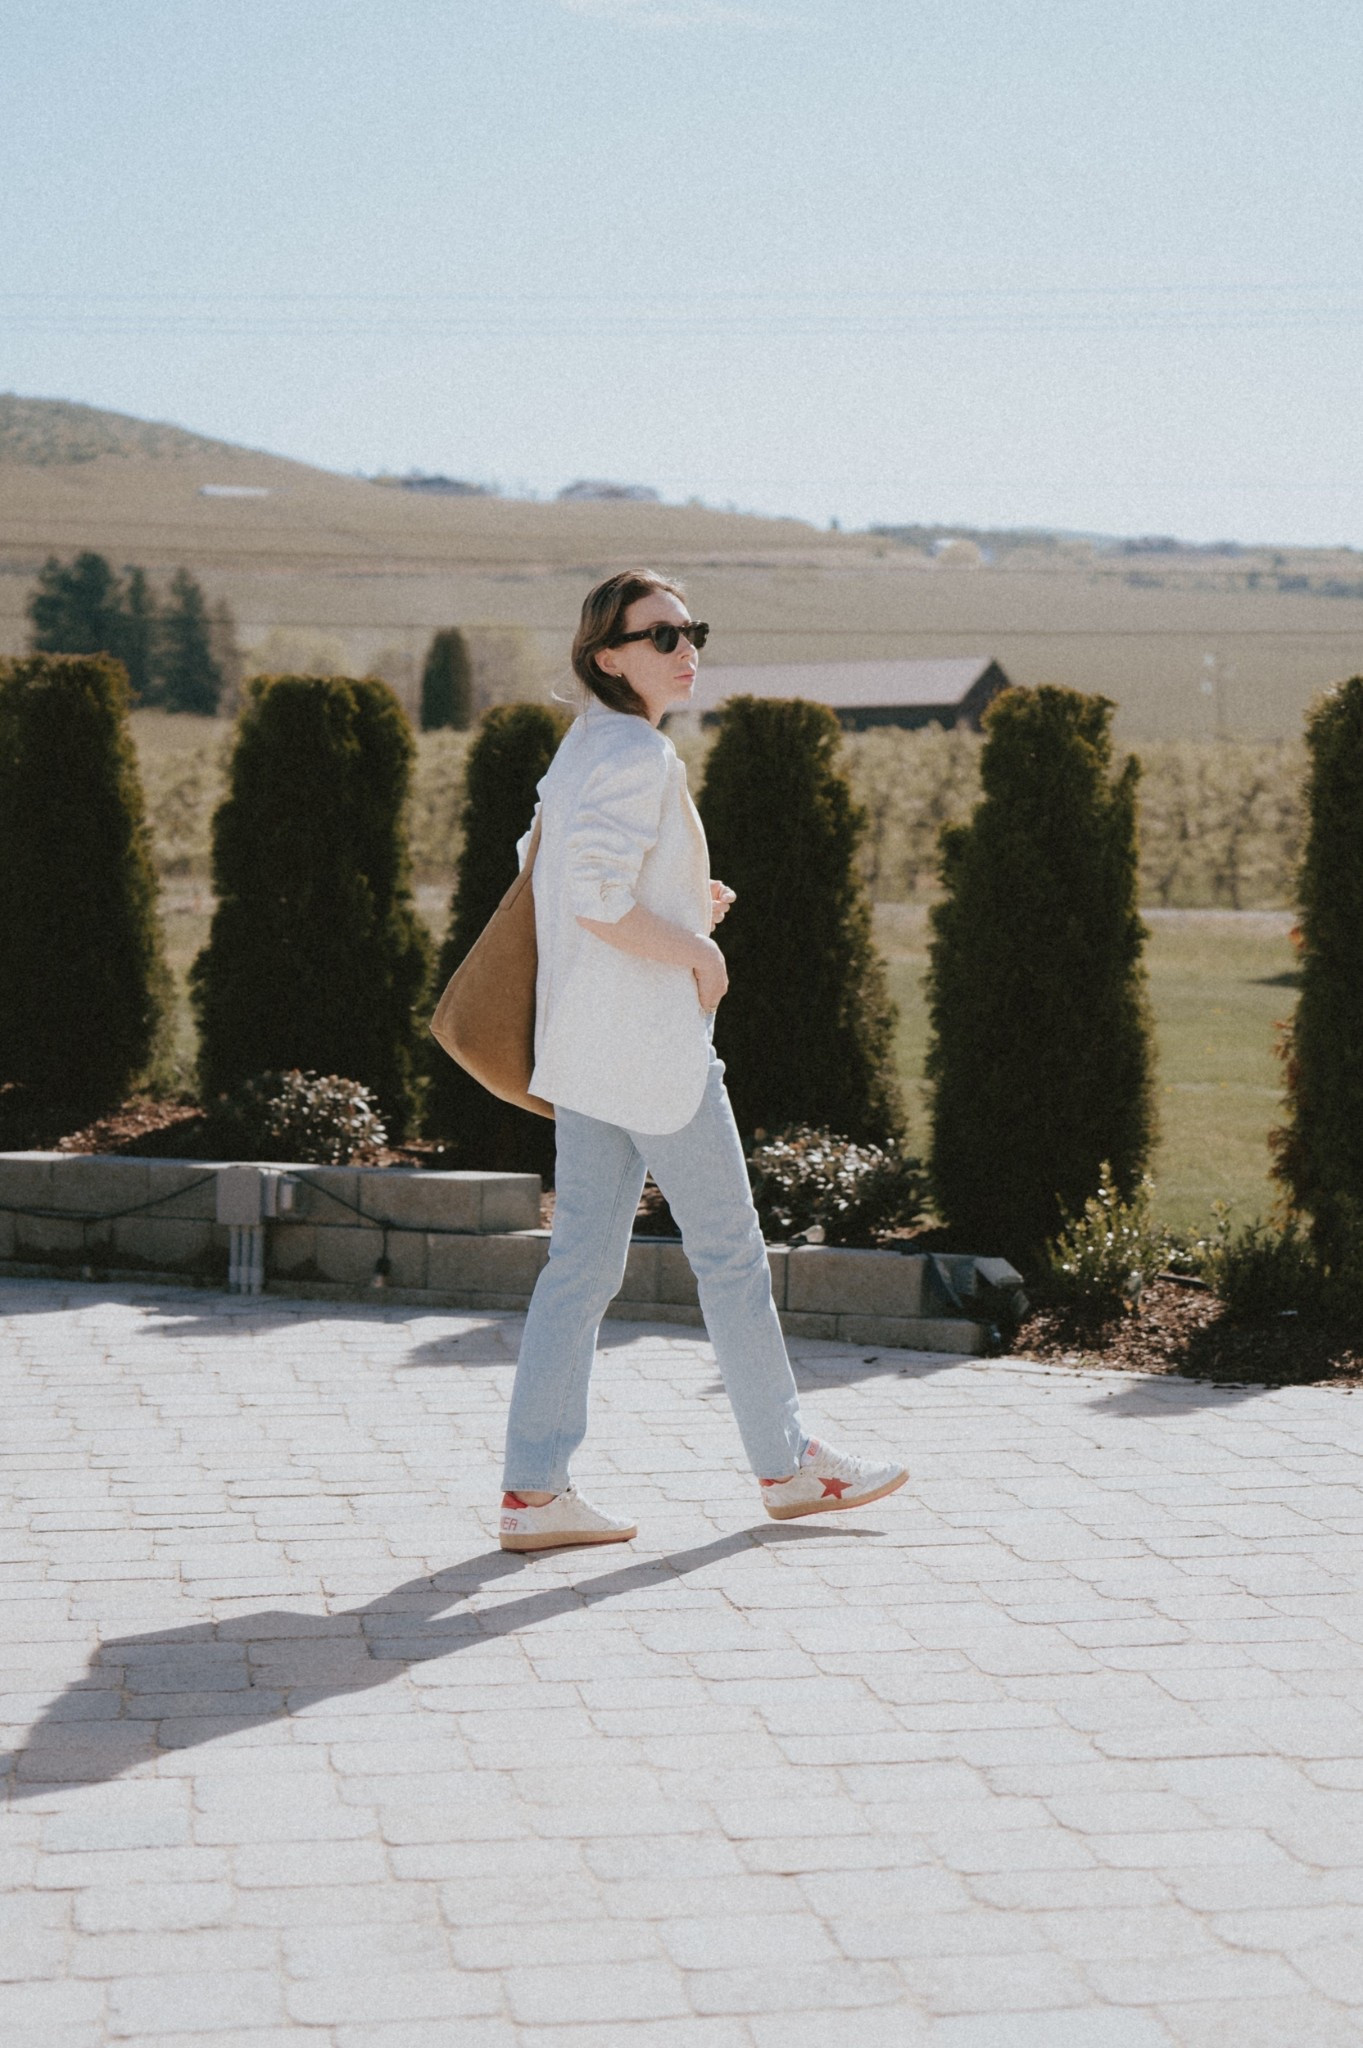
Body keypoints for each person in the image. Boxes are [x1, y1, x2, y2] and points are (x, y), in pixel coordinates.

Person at [497, 569, 908, 1553]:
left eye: (692, 632)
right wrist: (697, 950)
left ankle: (534, 1491)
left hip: (584, 1048)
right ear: (608, 656)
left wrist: (682, 900)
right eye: (661, 636)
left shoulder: (584, 744)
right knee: (729, 1257)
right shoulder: (636, 751)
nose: (686, 651)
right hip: (650, 1050)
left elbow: (538, 865)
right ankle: (788, 1465)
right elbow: (595, 897)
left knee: (579, 1266)